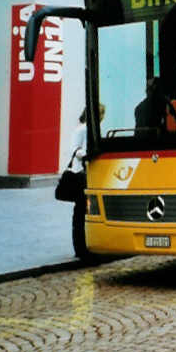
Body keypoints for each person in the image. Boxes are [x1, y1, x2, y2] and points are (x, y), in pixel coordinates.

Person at [70, 104, 104, 261]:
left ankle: (83, 246)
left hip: (86, 174)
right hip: (80, 175)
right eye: (102, 114)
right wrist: (88, 152)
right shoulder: (83, 129)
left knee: (82, 212)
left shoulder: (90, 129)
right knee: (80, 212)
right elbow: (76, 151)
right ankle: (80, 248)